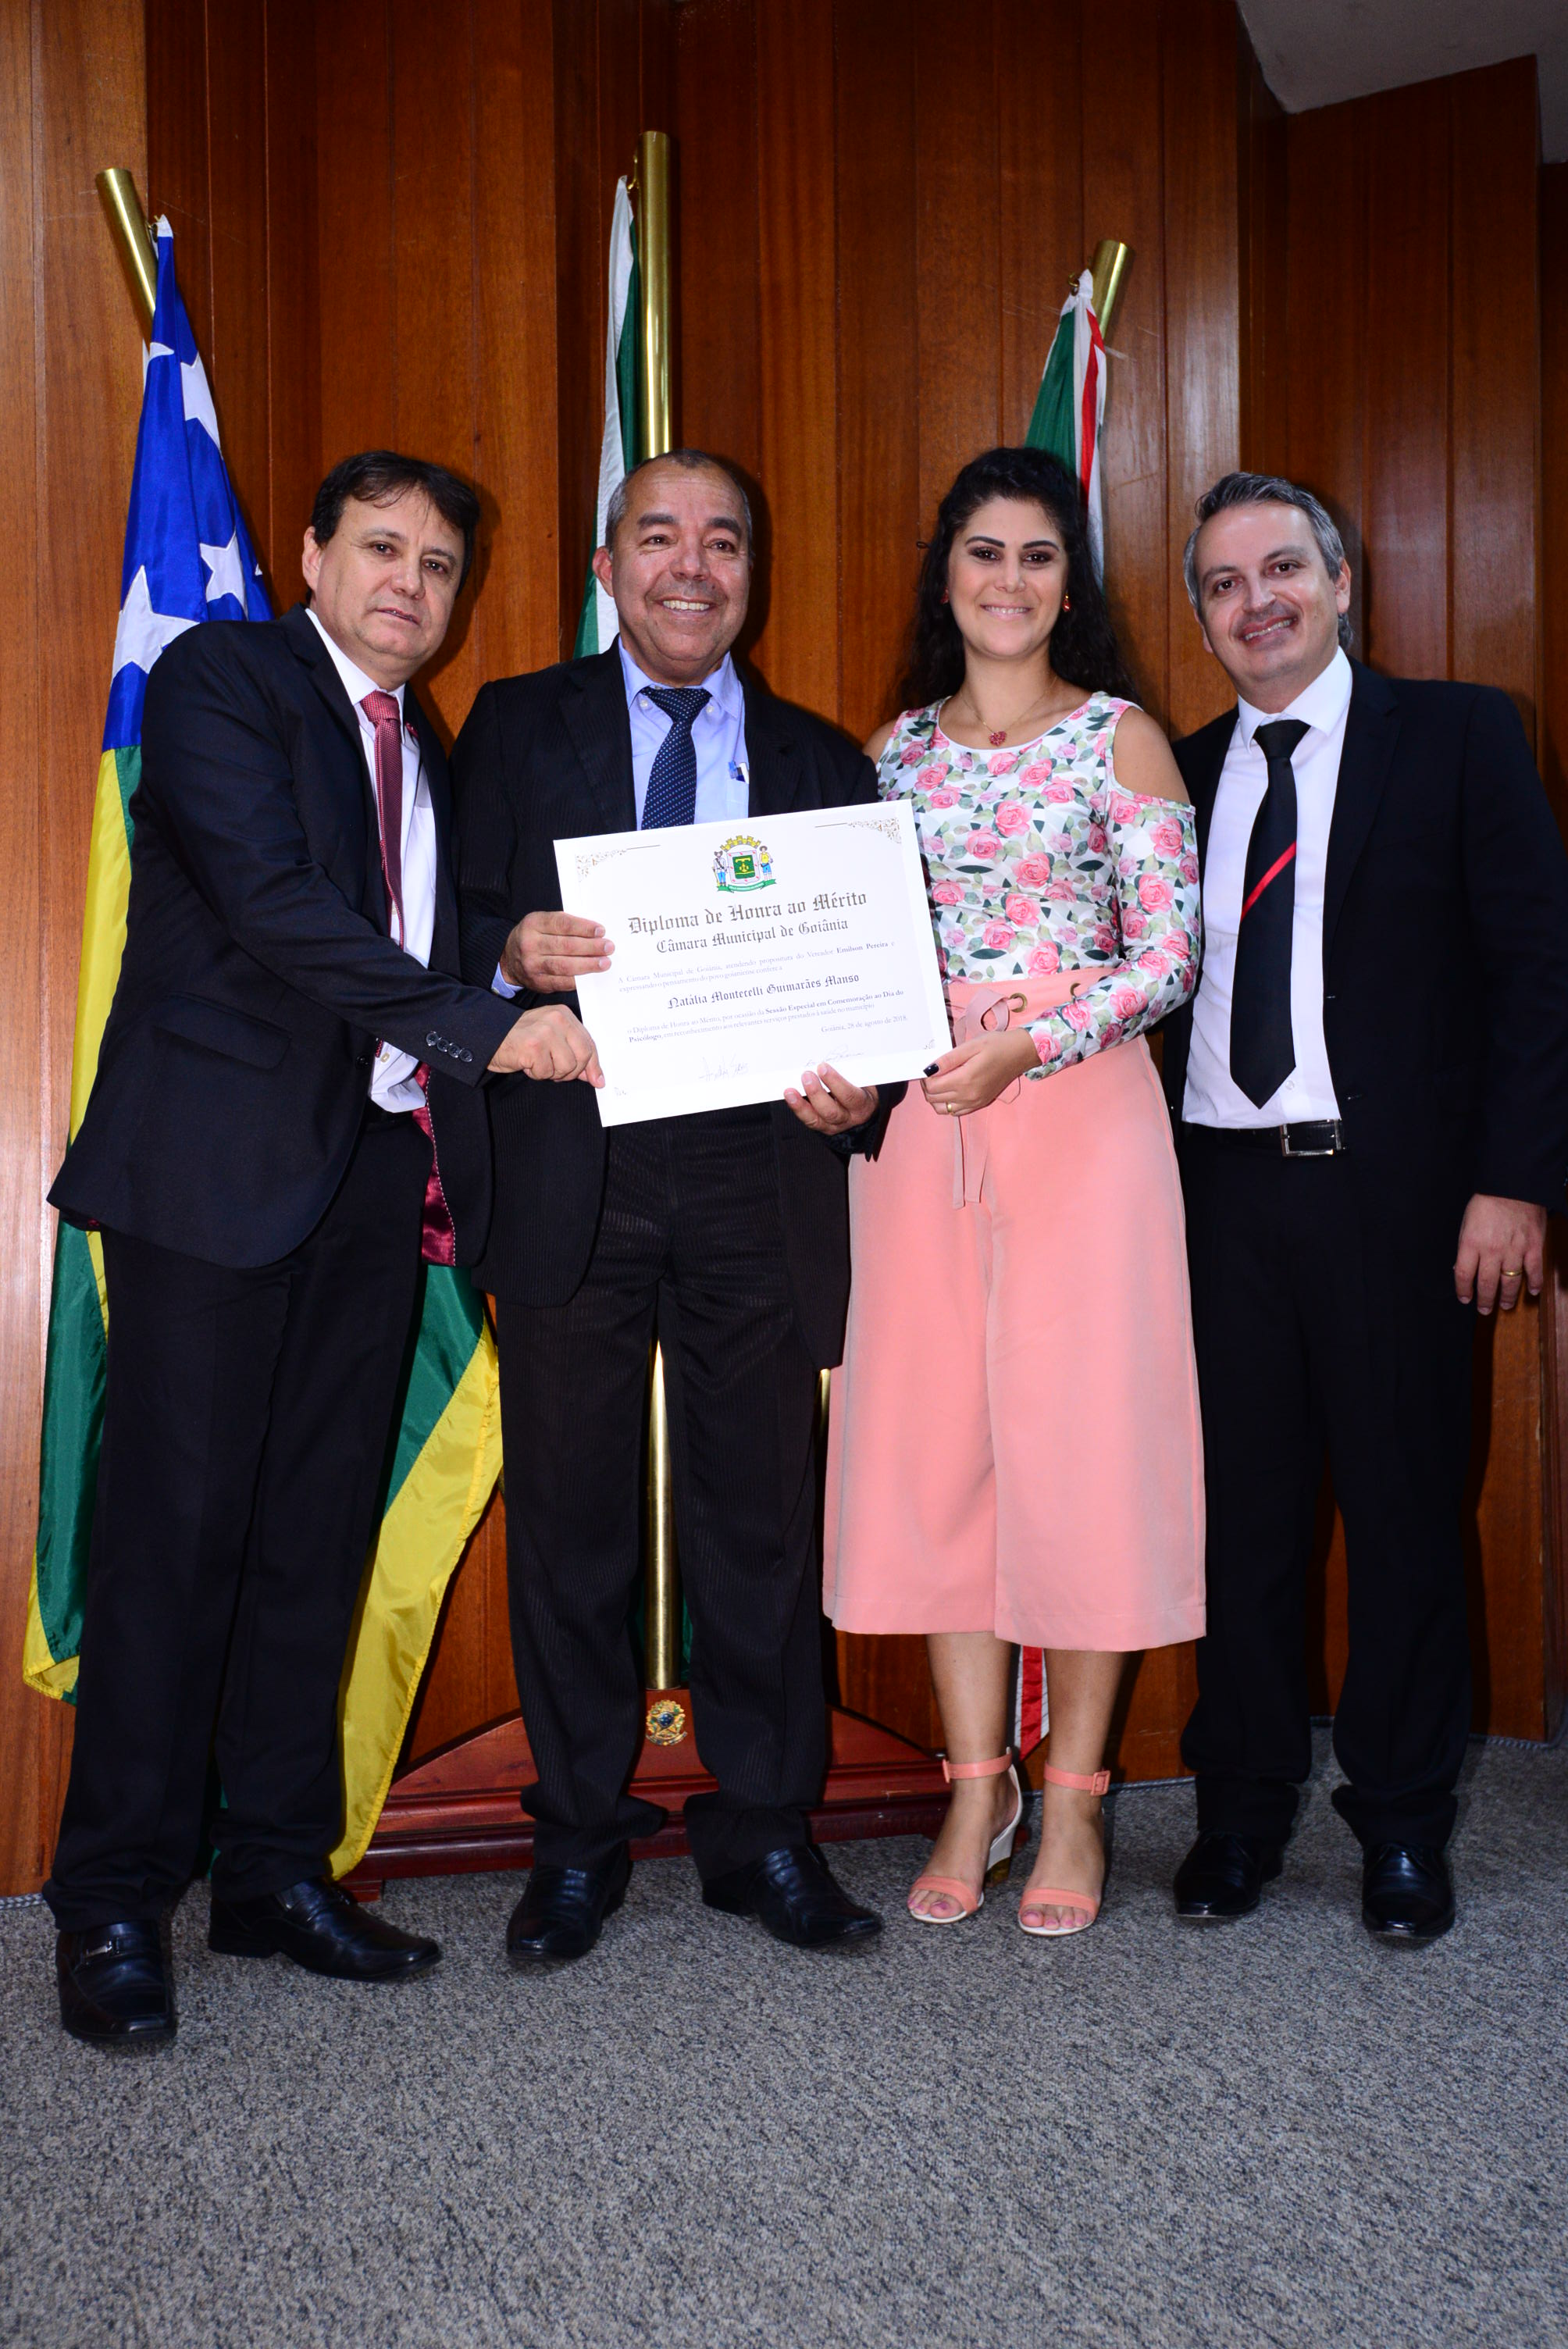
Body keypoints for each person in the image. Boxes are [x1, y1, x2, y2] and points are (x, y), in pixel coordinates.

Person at [45, 451, 599, 2048]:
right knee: (174, 1544)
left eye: (438, 565)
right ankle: (114, 1900)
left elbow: (402, 930)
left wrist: (499, 954)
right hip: (215, 1180)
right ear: (310, 554)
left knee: (314, 1540)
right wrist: (482, 1025)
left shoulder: (426, 743)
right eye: (381, 549)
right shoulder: (222, 680)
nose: (409, 584)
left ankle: (276, 1871)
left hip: (371, 1181)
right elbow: (277, 902)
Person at [453, 448, 893, 1964]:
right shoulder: (515, 725)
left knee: (760, 1521)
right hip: (572, 1156)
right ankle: (577, 1836)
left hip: (758, 1170)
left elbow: (872, 993)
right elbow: (441, 926)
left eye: (721, 541)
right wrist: (510, 954)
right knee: (568, 1517)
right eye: (657, 537)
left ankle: (764, 1830)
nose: (690, 566)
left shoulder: (828, 764)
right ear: (606, 567)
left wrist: (863, 1093)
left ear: (750, 574)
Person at [1164, 470, 1568, 1941]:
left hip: (1397, 1199)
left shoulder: (1459, 736)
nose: (1256, 602)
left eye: (1283, 569)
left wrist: (1514, 1182)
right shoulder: (1175, 775)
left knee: (1405, 1516)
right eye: (1223, 584)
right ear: (1203, 617)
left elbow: (1539, 969)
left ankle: (1402, 1824)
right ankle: (1239, 1814)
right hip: (1217, 1200)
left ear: (1342, 584)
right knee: (1242, 1525)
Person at [823, 445, 1205, 1937]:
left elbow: (1167, 958)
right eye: (984, 551)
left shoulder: (1122, 739)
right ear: (946, 574)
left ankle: (1078, 1797)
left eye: (1038, 555)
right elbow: (850, 957)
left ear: (1069, 583)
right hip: (926, 1128)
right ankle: (975, 1787)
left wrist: (1027, 1042)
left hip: (1081, 1121)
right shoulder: (888, 755)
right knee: (940, 1451)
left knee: (1085, 1449)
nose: (1009, 579)